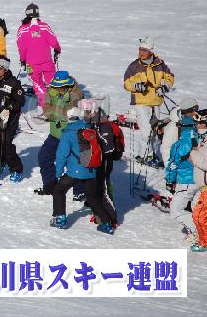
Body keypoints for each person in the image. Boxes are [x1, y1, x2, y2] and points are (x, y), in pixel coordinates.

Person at [51, 106, 115, 234]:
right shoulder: (90, 129)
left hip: (75, 171)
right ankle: (106, 223)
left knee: (59, 190)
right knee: (92, 197)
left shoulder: (68, 132)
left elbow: (61, 155)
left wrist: (58, 172)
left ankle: (60, 218)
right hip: (91, 170)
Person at [123, 36, 174, 165]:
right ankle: (145, 156)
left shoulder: (160, 64)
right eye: (140, 49)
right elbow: (126, 83)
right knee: (146, 130)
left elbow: (170, 77)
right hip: (140, 102)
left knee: (155, 130)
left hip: (156, 102)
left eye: (144, 50)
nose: (141, 52)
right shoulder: (134, 66)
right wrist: (136, 86)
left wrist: (165, 87)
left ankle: (154, 155)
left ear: (151, 51)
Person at [35, 70, 84, 196]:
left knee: (74, 162)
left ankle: (79, 192)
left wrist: (55, 112)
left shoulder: (76, 93)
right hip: (55, 134)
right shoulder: (51, 90)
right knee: (44, 157)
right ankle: (50, 186)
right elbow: (46, 109)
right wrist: (57, 112)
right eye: (55, 86)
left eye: (59, 86)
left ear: (67, 85)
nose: (56, 88)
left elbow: (70, 112)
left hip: (71, 136)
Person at [16, 3, 61, 109]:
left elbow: (21, 48)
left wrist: (22, 60)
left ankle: (45, 105)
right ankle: (57, 102)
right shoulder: (45, 26)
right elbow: (54, 42)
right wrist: (57, 49)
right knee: (52, 82)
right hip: (47, 61)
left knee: (37, 84)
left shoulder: (22, 29)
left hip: (31, 63)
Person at [166, 107, 199, 242]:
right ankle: (198, 233)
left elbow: (173, 165)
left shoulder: (179, 145)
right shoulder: (201, 140)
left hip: (186, 182)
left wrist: (170, 181)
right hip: (201, 181)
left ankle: (197, 232)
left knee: (176, 210)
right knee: (197, 209)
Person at [189, 115, 207, 252]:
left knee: (199, 216)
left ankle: (203, 243)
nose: (198, 125)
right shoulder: (203, 139)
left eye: (200, 123)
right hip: (203, 187)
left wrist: (194, 155)